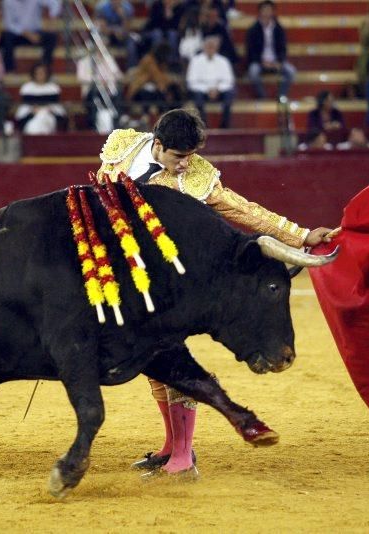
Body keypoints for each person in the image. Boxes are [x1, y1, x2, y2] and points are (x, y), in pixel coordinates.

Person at [94, 109, 334, 479]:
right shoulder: (123, 148)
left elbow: (244, 210)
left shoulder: (198, 177)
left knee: (172, 360)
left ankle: (184, 458)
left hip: (174, 285)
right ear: (157, 145)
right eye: (178, 157)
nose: (185, 165)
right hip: (133, 278)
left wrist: (300, 236)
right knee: (152, 366)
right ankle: (171, 447)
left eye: (190, 157)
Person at [246, 0, 295, 100]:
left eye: (269, 10)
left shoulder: (279, 29)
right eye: (264, 10)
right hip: (259, 61)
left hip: (275, 61)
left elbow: (283, 48)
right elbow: (250, 51)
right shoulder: (253, 30)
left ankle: (281, 95)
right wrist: (261, 62)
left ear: (273, 12)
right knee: (253, 72)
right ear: (259, 12)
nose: (267, 12)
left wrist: (279, 61)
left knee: (291, 71)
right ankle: (263, 96)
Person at [186, 35, 235, 129]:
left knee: (229, 94)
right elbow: (191, 82)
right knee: (197, 96)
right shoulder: (195, 61)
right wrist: (207, 90)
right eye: (208, 46)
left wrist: (217, 89)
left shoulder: (224, 61)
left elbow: (229, 81)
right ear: (204, 47)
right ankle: (204, 126)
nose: (210, 48)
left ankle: (224, 127)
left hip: (219, 91)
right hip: (202, 91)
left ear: (217, 48)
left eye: (213, 46)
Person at [0, 0, 60, 73]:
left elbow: (55, 2)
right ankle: (9, 70)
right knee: (5, 36)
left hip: (36, 34)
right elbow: (9, 24)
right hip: (17, 35)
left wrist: (52, 17)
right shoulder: (8, 1)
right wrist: (27, 34)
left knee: (51, 36)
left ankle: (45, 68)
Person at [126, 42, 183, 119]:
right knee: (160, 93)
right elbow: (157, 77)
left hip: (153, 86)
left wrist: (172, 82)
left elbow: (163, 77)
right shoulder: (148, 60)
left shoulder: (161, 63)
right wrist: (168, 85)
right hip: (140, 88)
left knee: (174, 88)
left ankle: (175, 114)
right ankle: (154, 115)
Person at [77, 43, 123, 133]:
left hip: (108, 92)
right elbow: (81, 78)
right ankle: (93, 126)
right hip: (92, 92)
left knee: (118, 92)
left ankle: (117, 124)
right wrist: (99, 82)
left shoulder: (109, 61)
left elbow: (119, 75)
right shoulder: (84, 62)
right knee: (95, 91)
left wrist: (109, 81)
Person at [15, 63, 65, 134]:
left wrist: (50, 111)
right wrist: (32, 112)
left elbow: (58, 109)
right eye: (38, 73)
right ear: (33, 74)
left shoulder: (53, 88)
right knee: (36, 124)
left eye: (42, 73)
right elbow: (23, 110)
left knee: (43, 116)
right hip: (32, 116)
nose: (40, 75)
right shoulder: (27, 88)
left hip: (49, 116)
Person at [94, 0, 138, 69]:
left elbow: (127, 29)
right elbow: (103, 29)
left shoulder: (128, 8)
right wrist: (115, 31)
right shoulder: (102, 7)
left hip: (122, 36)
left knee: (131, 44)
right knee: (101, 41)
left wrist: (123, 16)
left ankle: (131, 69)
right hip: (107, 35)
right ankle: (99, 69)